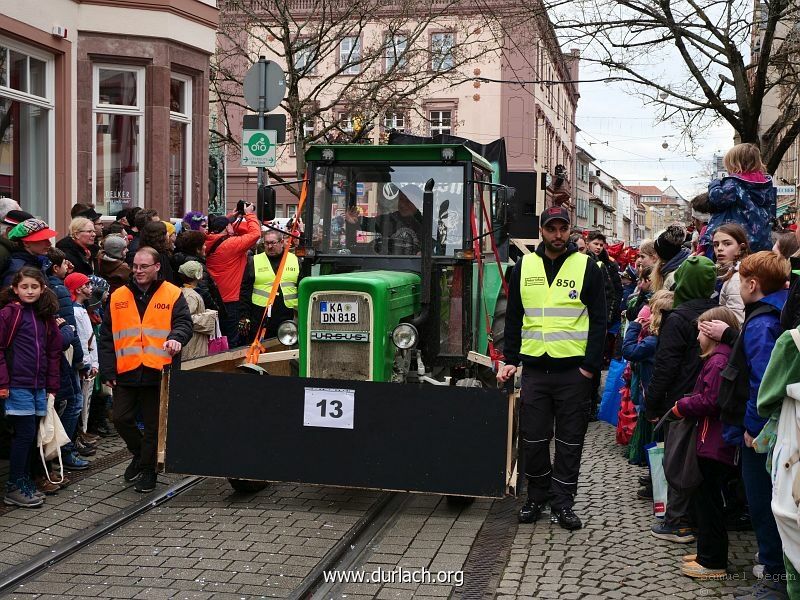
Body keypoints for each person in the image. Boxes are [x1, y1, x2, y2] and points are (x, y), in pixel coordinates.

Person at [497, 206, 606, 530]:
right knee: (534, 440)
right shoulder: (524, 266)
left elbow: (599, 320)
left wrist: (589, 368)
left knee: (570, 442)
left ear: (569, 230)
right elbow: (514, 317)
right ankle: (537, 497)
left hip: (572, 372)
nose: (557, 234)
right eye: (551, 228)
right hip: (534, 371)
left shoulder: (587, 266)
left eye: (562, 228)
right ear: (542, 230)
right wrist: (510, 360)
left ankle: (563, 502)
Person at [702, 251, 790, 598]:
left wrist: (752, 427)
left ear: (753, 284)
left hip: (760, 433)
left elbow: (762, 379)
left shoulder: (763, 322)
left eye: (740, 280)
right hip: (769, 427)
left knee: (765, 504)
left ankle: (774, 580)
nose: (737, 286)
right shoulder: (777, 309)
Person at [98, 246, 192, 493]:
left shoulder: (172, 293)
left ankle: (148, 471)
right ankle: (140, 455)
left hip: (157, 368)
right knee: (120, 418)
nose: (138, 271)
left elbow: (184, 323)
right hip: (126, 368)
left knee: (152, 425)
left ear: (157, 267)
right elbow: (107, 335)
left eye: (144, 267)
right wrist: (108, 370)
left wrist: (176, 338)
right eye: (135, 266)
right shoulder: (119, 295)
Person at [646, 255, 718, 543]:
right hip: (709, 399)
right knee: (701, 462)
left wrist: (653, 405)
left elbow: (665, 367)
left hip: (681, 402)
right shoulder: (719, 312)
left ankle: (677, 522)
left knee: (678, 461)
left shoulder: (677, 318)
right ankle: (697, 519)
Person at [670, 306, 741, 580]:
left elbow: (711, 400)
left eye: (700, 332)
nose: (697, 338)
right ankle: (705, 552)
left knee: (709, 503)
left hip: (712, 442)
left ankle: (712, 561)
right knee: (705, 502)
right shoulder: (718, 358)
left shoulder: (717, 361)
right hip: (710, 440)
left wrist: (684, 405)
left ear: (712, 333)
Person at [0, 267, 63, 508]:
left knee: (32, 436)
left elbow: (53, 352)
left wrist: (52, 386)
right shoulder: (9, 314)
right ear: (15, 289)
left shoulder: (44, 316)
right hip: (17, 384)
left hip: (38, 385)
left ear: (42, 289)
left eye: (34, 287)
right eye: (24, 287)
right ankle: (14, 485)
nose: (29, 291)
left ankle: (24, 480)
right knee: (24, 435)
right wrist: (3, 383)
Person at [622, 289, 672, 474]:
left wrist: (634, 327)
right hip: (660, 396)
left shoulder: (653, 342)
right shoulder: (665, 338)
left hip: (653, 397)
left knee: (657, 440)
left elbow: (629, 351)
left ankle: (656, 480)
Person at [699, 144, 776, 255]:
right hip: (761, 242)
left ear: (734, 163)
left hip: (735, 242)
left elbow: (718, 198)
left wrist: (714, 184)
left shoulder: (735, 183)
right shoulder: (764, 185)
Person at [204, 204, 260, 347]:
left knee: (215, 338)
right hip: (230, 301)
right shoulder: (231, 245)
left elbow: (232, 230)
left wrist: (230, 217)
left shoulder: (205, 239)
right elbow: (255, 234)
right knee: (231, 340)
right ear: (228, 228)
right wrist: (249, 215)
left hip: (211, 298)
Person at [240, 228, 300, 340]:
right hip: (260, 314)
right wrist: (244, 316)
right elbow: (245, 290)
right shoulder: (253, 261)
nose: (270, 246)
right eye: (267, 243)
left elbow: (301, 287)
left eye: (273, 243)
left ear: (282, 242)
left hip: (288, 313)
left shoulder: (295, 260)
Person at [345, 185, 424, 255]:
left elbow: (434, 247)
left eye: (408, 201)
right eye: (401, 199)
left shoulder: (426, 224)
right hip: (387, 264)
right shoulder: (388, 219)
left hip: (416, 267)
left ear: (418, 202)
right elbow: (368, 224)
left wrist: (424, 255)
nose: (402, 204)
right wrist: (355, 221)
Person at [177, 261, 217, 361]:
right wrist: (209, 316)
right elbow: (186, 319)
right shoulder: (191, 296)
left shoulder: (181, 291)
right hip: (193, 342)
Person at [2, 219, 59, 286]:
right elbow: (9, 294)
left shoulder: (37, 262)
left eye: (48, 239)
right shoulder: (18, 269)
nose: (49, 243)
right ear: (26, 243)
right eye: (43, 239)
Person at [713, 223, 750, 323]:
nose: (719, 248)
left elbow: (737, 321)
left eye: (727, 244)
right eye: (716, 244)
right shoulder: (726, 272)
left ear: (741, 247)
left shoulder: (737, 278)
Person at [652, 225, 690, 291]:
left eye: (656, 252)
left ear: (663, 255)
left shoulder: (673, 278)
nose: (654, 256)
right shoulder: (670, 271)